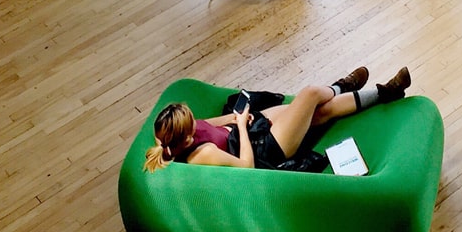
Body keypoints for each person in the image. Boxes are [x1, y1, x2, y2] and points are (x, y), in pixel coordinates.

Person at [142, 66, 412, 171]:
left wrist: (238, 117)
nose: (196, 124)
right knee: (309, 95)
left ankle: (384, 92)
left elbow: (211, 124)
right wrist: (241, 128)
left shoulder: (168, 132)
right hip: (263, 150)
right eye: (192, 126)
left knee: (318, 111)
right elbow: (246, 167)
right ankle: (345, 87)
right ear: (187, 140)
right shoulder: (202, 155)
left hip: (250, 130)